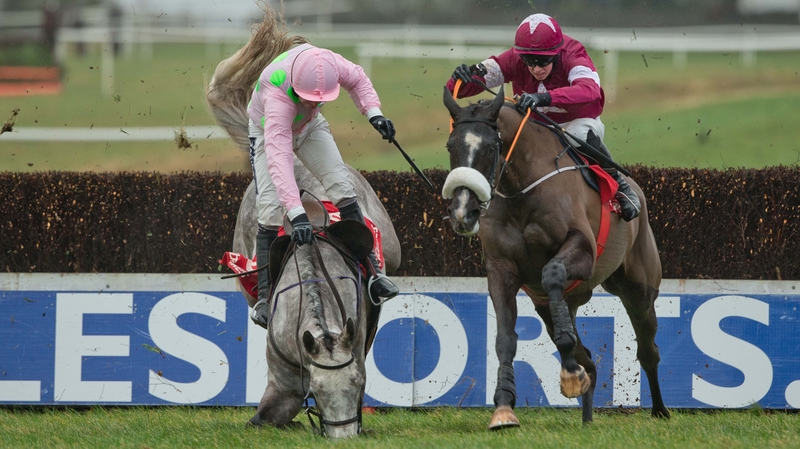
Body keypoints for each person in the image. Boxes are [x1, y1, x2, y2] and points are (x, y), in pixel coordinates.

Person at [248, 43, 399, 327]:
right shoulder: (277, 98)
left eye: (320, 101)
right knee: (269, 210)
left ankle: (374, 273)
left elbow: (357, 78)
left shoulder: (328, 63)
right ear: (295, 88)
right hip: (268, 132)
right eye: (308, 99)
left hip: (309, 128)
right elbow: (280, 162)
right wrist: (296, 213)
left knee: (343, 188)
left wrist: (374, 113)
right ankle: (264, 299)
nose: (315, 104)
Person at [446, 13, 641, 222]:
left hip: (574, 122)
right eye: (529, 62)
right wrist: (462, 78)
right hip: (535, 125)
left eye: (543, 61)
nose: (536, 69)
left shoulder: (574, 54)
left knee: (578, 134)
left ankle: (620, 185)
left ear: (557, 54)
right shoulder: (513, 58)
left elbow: (590, 90)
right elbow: (456, 90)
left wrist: (544, 98)